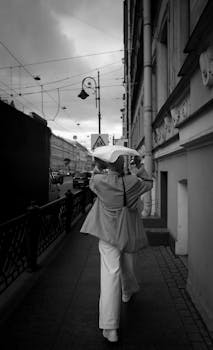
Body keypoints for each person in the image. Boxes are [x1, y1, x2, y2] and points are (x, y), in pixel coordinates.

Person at [80, 154, 153, 343]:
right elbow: (149, 183)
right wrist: (139, 169)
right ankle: (128, 290)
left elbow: (92, 181)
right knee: (127, 261)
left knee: (110, 273)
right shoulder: (132, 181)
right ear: (123, 166)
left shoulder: (99, 181)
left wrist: (98, 166)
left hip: (107, 233)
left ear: (107, 165)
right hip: (126, 230)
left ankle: (110, 328)